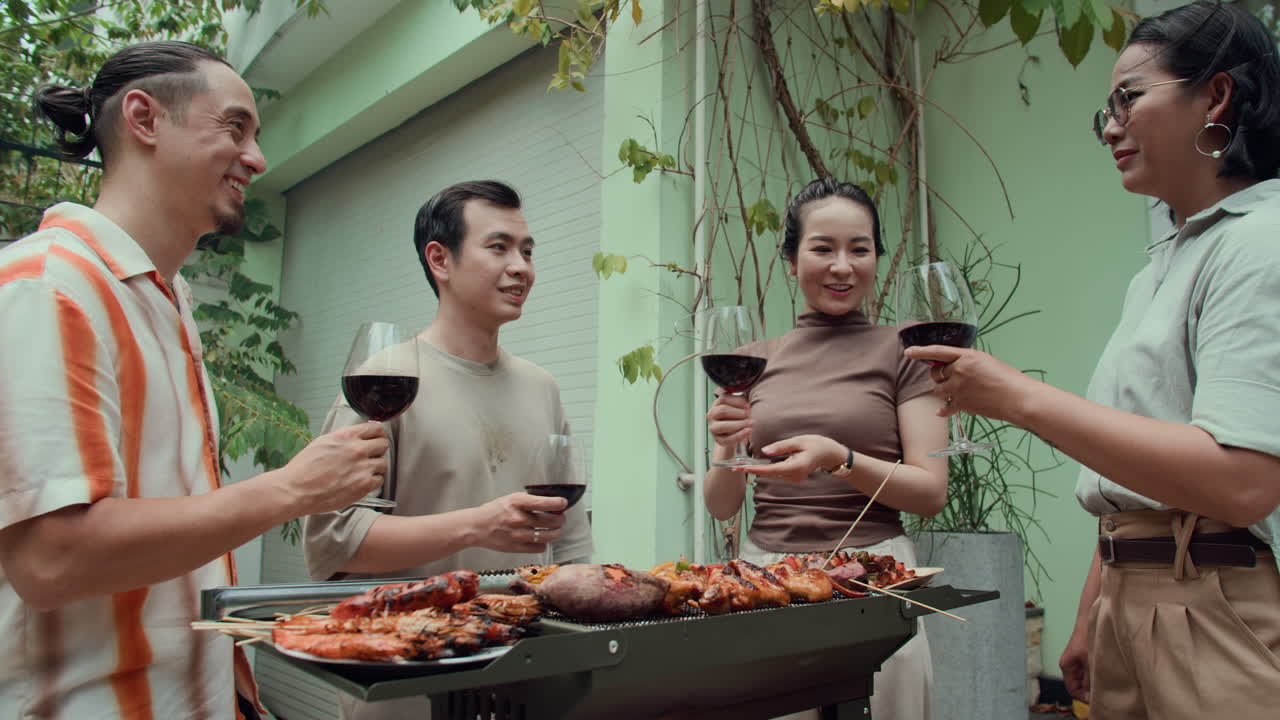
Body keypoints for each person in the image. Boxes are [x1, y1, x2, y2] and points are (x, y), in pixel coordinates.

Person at [905, 2, 1280, 717]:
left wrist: (1017, 398)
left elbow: (1241, 481)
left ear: (1218, 94)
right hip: (1130, 603)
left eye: (1128, 99)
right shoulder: (1164, 265)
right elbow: (1132, 474)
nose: (1109, 127)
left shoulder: (1260, 243)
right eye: (1104, 110)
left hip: (1212, 610)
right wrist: (1093, 610)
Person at [0, 42, 390, 720]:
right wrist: (292, 489)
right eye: (234, 127)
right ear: (145, 118)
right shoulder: (49, 285)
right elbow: (53, 560)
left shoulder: (168, 300)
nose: (258, 159)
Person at [303, 180, 593, 720]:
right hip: (404, 679)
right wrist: (479, 525)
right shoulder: (383, 380)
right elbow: (332, 541)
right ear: (440, 259)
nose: (522, 267)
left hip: (520, 674)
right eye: (499, 247)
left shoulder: (542, 386)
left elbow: (571, 543)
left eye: (528, 251)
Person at [704, 178, 949, 720]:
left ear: (875, 258)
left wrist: (838, 458)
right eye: (823, 248)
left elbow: (930, 493)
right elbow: (723, 505)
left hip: (875, 577)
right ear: (791, 260)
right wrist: (724, 447)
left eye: (859, 249)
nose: (842, 265)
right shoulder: (752, 360)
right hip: (767, 579)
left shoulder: (907, 350)